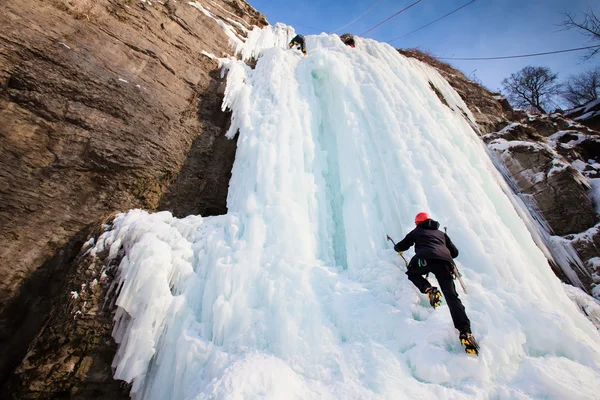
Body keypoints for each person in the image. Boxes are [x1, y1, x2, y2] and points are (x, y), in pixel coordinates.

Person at [394, 212, 479, 354]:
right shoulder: (441, 234)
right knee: (451, 296)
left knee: (412, 273)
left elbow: (401, 246)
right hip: (445, 263)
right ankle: (465, 332)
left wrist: (397, 249)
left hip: (424, 260)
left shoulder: (416, 232)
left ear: (417, 223)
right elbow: (455, 253)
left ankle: (428, 288)